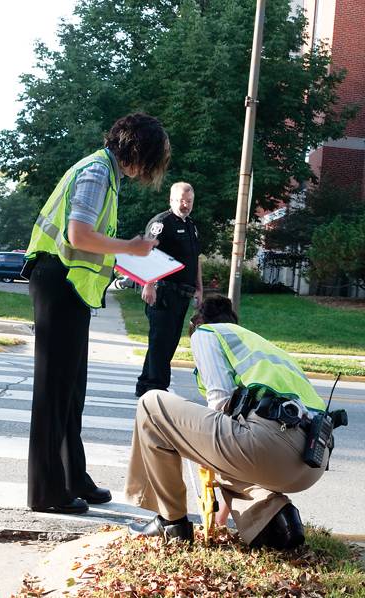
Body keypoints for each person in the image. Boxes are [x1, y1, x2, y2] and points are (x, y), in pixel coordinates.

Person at [23, 113, 170, 515]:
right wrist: (131, 248)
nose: (146, 172)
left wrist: (133, 261)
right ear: (138, 152)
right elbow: (78, 235)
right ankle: (47, 493)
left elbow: (91, 244)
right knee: (54, 393)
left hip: (71, 288)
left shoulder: (104, 172)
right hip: (58, 283)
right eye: (151, 161)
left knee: (71, 392)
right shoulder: (95, 173)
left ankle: (74, 479)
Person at [125, 295, 329, 548]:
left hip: (271, 444)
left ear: (197, 323)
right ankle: (272, 519)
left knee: (151, 403)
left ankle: (171, 523)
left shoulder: (206, 333)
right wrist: (220, 515)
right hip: (311, 462)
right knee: (227, 446)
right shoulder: (263, 346)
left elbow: (220, 401)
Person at [135, 182, 202, 398]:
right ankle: (157, 387)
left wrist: (199, 288)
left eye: (189, 201)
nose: (185, 204)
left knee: (168, 341)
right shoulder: (161, 223)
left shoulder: (191, 225)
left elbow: (195, 259)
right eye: (181, 200)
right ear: (171, 200)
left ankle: (145, 384)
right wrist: (148, 284)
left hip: (183, 292)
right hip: (163, 291)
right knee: (161, 340)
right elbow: (147, 253)